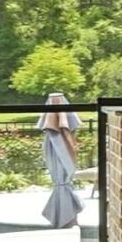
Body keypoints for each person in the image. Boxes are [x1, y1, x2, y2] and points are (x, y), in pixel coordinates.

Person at [38, 94, 82, 230]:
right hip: (62, 183)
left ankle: (65, 222)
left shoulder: (56, 137)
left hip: (62, 183)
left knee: (63, 183)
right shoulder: (53, 138)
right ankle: (67, 222)